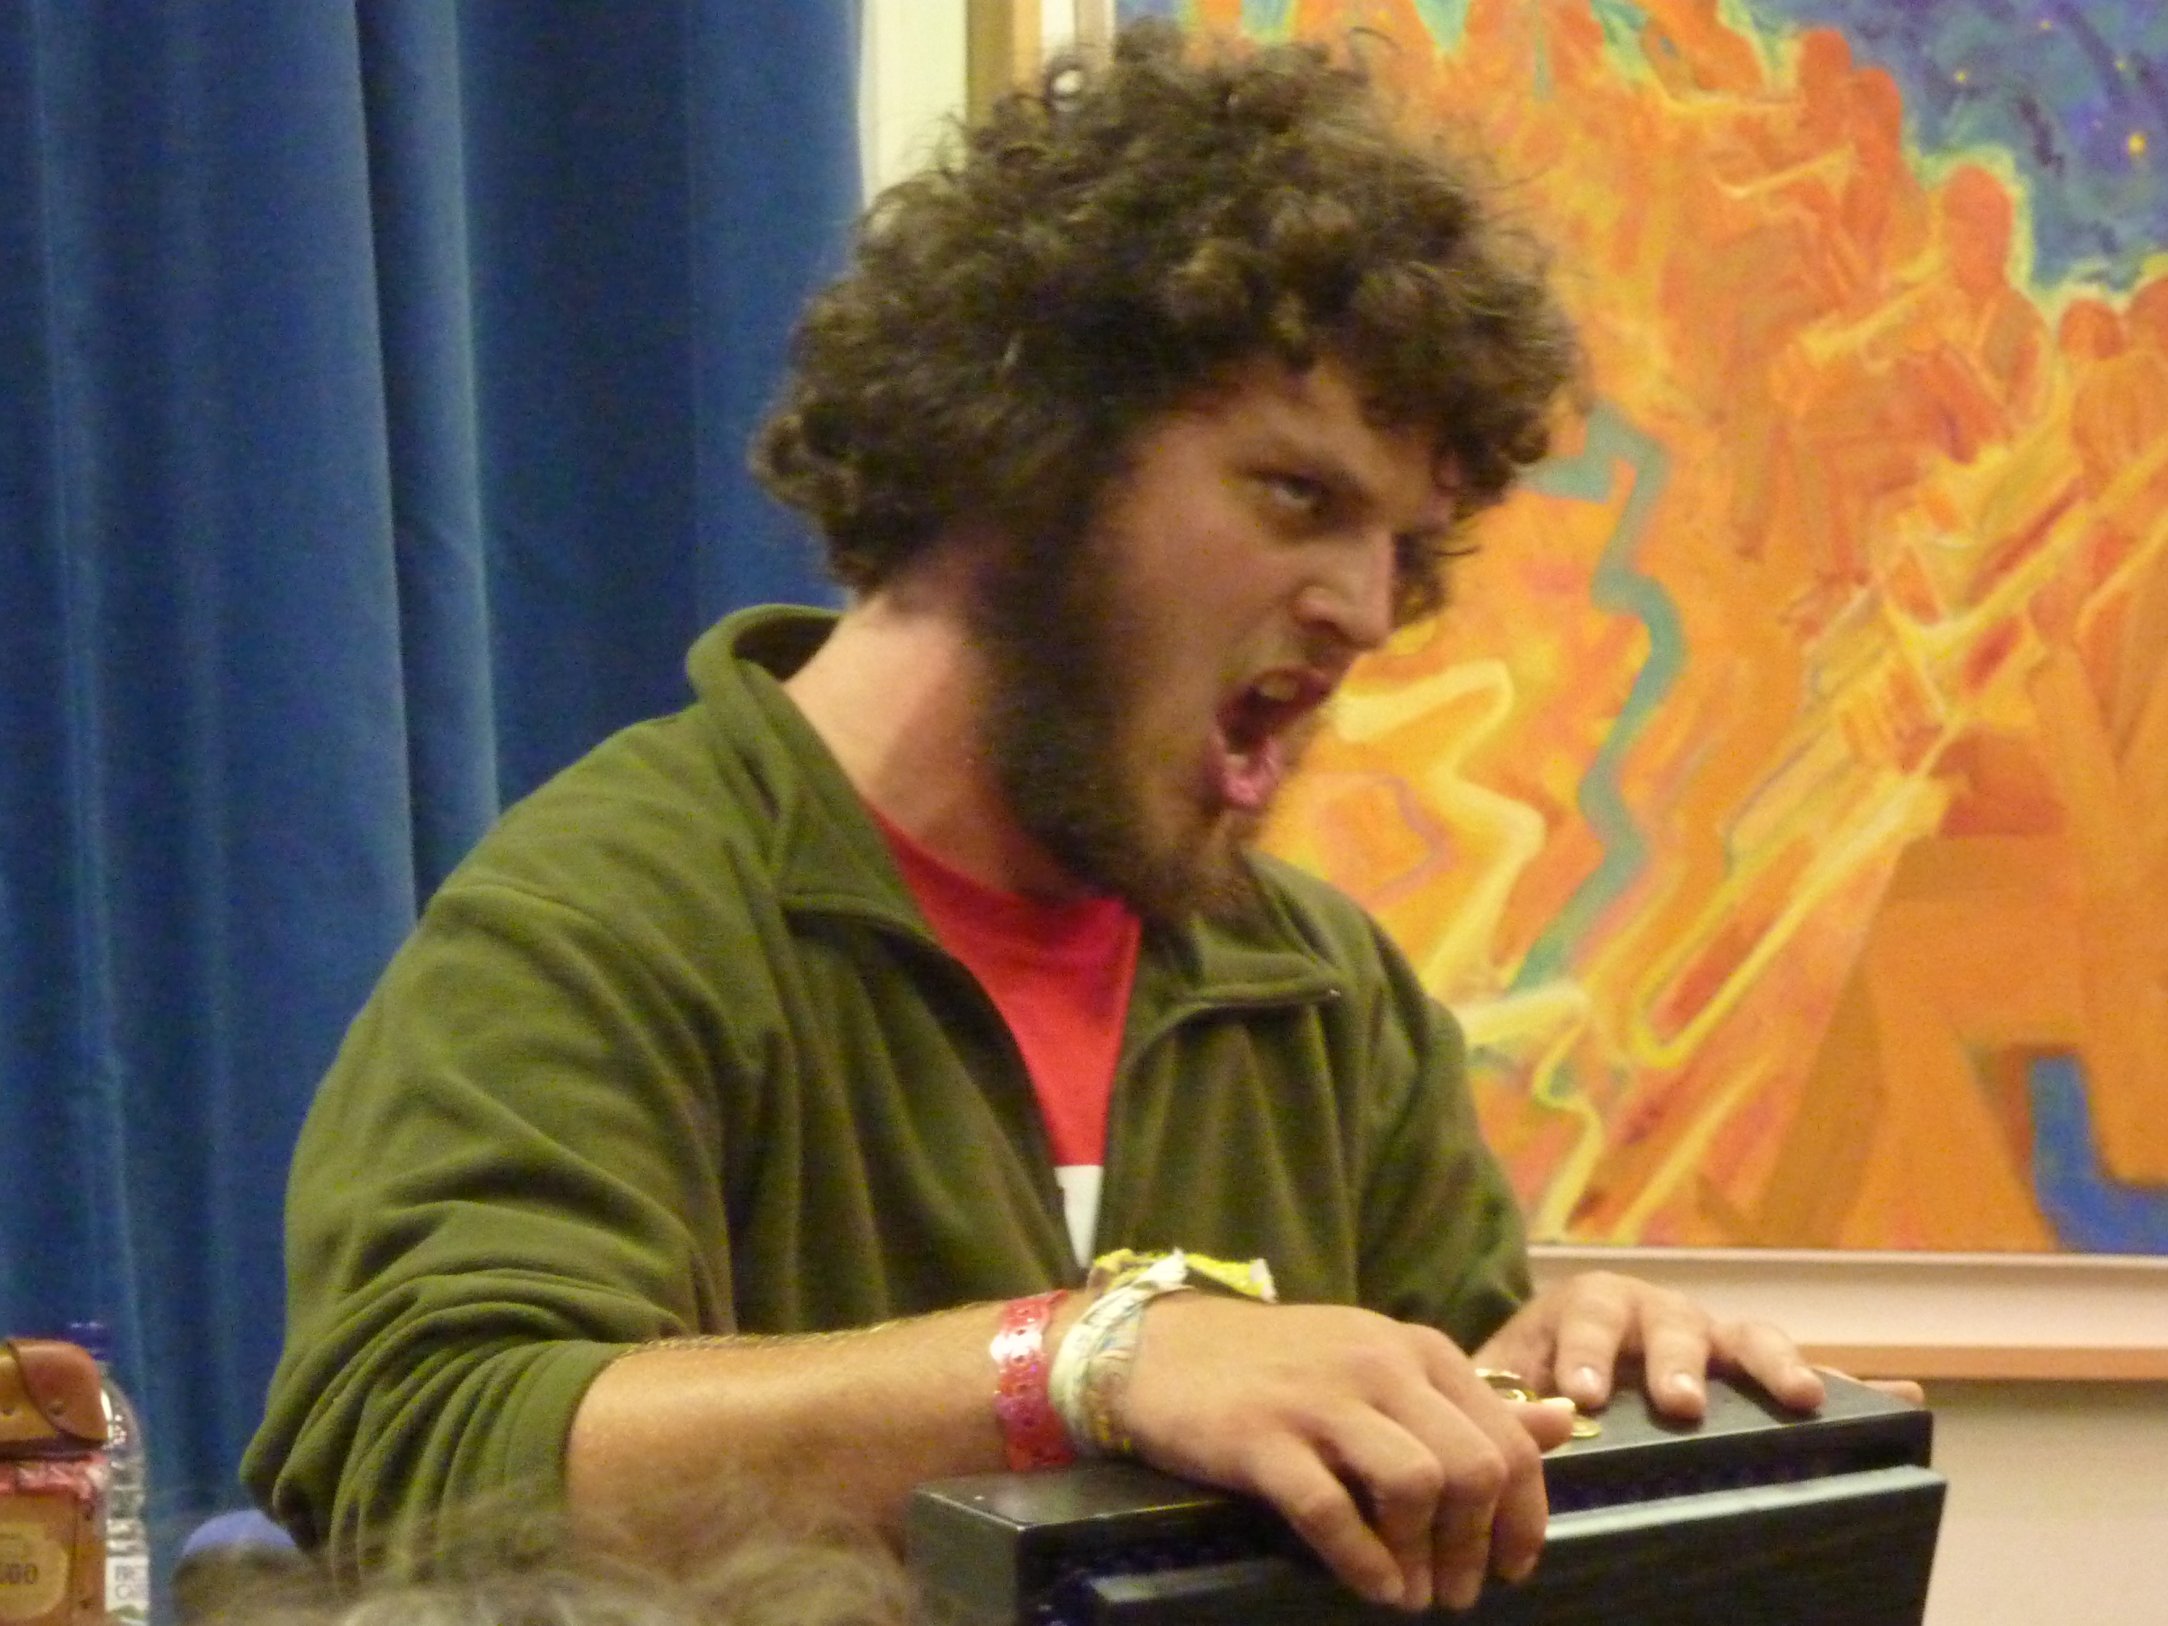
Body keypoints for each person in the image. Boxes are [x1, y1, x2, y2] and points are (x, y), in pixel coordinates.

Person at [244, 22, 1842, 1616]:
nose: (1367, 607)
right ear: (1021, 449)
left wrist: (1567, 1379)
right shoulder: (614, 909)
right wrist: (1077, 1360)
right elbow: (421, 1450)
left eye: (1403, 549)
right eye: (1298, 495)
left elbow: (1451, 1490)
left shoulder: (1323, 996)